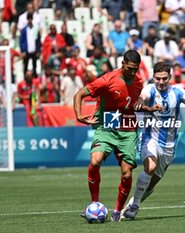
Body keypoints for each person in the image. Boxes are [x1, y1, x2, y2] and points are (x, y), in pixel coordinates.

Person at [74, 50, 159, 222]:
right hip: (108, 124)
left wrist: (149, 109)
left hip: (127, 128)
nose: (133, 72)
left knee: (127, 174)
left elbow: (133, 106)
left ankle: (117, 212)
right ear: (122, 63)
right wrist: (79, 115)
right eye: (130, 68)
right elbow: (80, 94)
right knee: (95, 161)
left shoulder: (137, 81)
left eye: (135, 69)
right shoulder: (107, 80)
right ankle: (94, 204)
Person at [121, 61, 185, 220]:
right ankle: (134, 207)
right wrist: (141, 103)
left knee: (152, 183)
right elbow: (141, 99)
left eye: (164, 79)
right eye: (157, 78)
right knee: (150, 167)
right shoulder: (149, 89)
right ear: (153, 77)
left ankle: (133, 203)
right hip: (150, 139)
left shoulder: (178, 92)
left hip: (169, 146)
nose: (161, 82)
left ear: (170, 77)